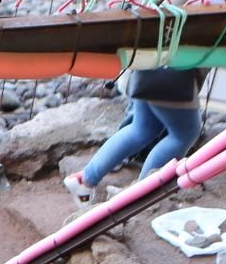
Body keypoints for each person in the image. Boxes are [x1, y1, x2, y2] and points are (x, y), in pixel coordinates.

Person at [62, 66, 204, 201]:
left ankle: (84, 180)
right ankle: (142, 196)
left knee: (143, 129)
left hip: (147, 66)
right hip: (173, 74)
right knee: (184, 134)